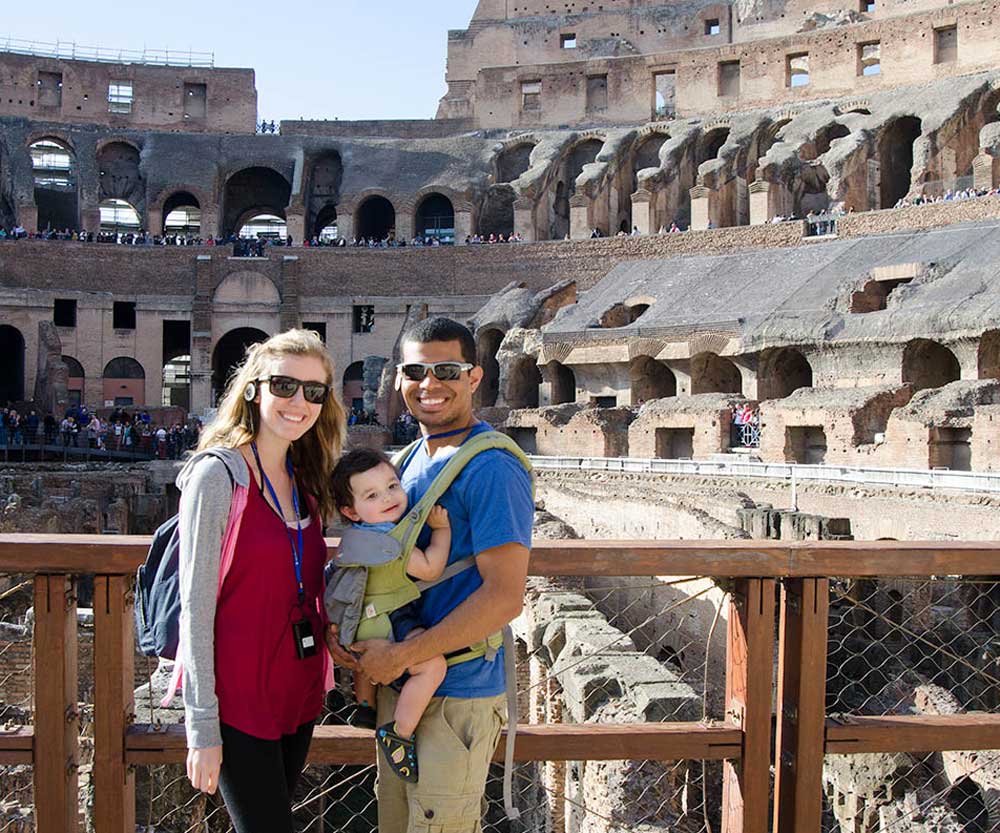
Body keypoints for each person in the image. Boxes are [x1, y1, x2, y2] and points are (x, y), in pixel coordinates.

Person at [327, 317, 533, 832]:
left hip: (457, 691)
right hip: (404, 685)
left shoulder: (491, 468)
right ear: (399, 378)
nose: (429, 383)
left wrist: (400, 655)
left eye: (446, 369)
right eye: (416, 370)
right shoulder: (407, 460)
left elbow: (505, 597)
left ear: (474, 377)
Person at [175, 329, 346, 833]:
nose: (299, 402)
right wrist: (201, 725)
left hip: (296, 691)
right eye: (284, 386)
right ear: (253, 388)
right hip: (238, 698)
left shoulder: (307, 479)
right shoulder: (218, 475)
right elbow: (196, 604)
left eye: (314, 391)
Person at [328, 449, 452, 781]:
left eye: (393, 486)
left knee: (365, 660)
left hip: (360, 621)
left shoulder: (354, 538)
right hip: (385, 618)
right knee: (432, 665)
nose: (388, 498)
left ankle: (365, 706)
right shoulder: (386, 540)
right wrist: (441, 531)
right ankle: (400, 731)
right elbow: (430, 568)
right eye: (372, 495)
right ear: (350, 511)